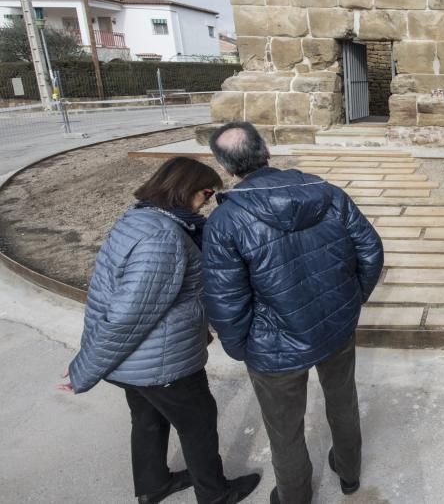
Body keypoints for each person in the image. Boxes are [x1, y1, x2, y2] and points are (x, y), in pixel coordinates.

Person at [60, 157, 261, 504]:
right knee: (197, 425)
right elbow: (128, 317)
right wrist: (84, 369)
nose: (208, 203)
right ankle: (215, 495)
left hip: (136, 363)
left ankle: (153, 486)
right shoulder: (163, 238)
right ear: (185, 189)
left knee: (148, 419)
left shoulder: (139, 218)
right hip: (162, 362)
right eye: (207, 193)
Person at [201, 122, 383, 504]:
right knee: (343, 401)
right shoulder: (328, 193)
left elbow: (225, 301)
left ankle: (294, 496)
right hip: (333, 327)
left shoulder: (224, 221)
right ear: (265, 149)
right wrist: (352, 301)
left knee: (285, 430)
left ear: (226, 167)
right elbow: (370, 251)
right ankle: (349, 474)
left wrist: (241, 347)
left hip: (274, 346)